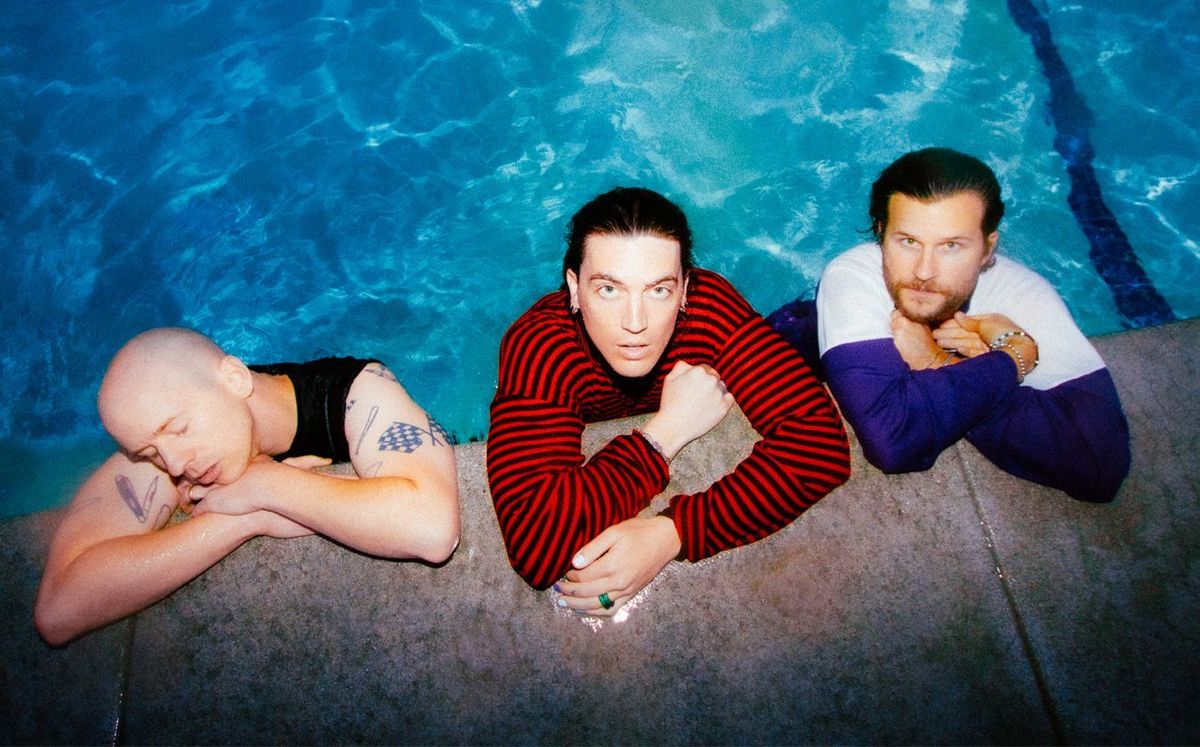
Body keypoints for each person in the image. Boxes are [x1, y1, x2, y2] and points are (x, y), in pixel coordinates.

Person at [487, 187, 851, 615]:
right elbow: (535, 540)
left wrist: (673, 534)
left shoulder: (709, 310)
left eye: (659, 290)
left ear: (685, 290)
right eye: (609, 289)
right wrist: (665, 433)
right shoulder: (540, 345)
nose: (634, 323)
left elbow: (819, 445)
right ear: (574, 288)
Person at [34, 328, 460, 645]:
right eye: (149, 454)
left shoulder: (357, 390)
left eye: (178, 430)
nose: (175, 464)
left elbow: (433, 529)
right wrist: (241, 520)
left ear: (236, 379)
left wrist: (267, 482)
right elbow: (58, 610)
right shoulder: (166, 437)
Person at [816, 147, 1130, 502]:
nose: (924, 271)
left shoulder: (1022, 294)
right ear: (881, 232)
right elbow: (893, 440)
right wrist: (1014, 357)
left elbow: (1100, 467)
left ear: (987, 247)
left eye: (951, 245)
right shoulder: (854, 275)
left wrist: (939, 362)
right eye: (908, 242)